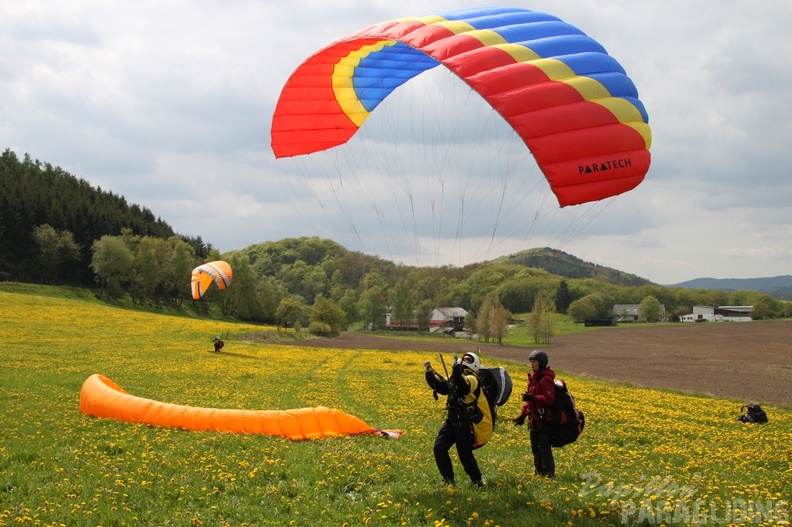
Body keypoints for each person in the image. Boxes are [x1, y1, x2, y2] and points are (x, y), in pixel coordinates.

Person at [424, 352, 484, 487]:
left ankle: (477, 481)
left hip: (464, 423)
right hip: (451, 421)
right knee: (439, 448)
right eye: (464, 358)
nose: (464, 360)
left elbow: (464, 387)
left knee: (464, 453)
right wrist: (429, 374)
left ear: (474, 363)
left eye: (468, 359)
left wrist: (456, 370)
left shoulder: (473, 379)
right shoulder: (455, 377)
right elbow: (441, 387)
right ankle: (448, 479)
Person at [512, 350, 556, 478]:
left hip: (544, 420)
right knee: (535, 449)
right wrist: (522, 416)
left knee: (544, 449)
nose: (531, 364)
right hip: (534, 420)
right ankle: (538, 473)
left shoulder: (545, 379)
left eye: (534, 361)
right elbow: (528, 402)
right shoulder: (533, 378)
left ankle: (548, 474)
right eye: (530, 361)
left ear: (541, 363)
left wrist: (534, 397)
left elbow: (550, 399)